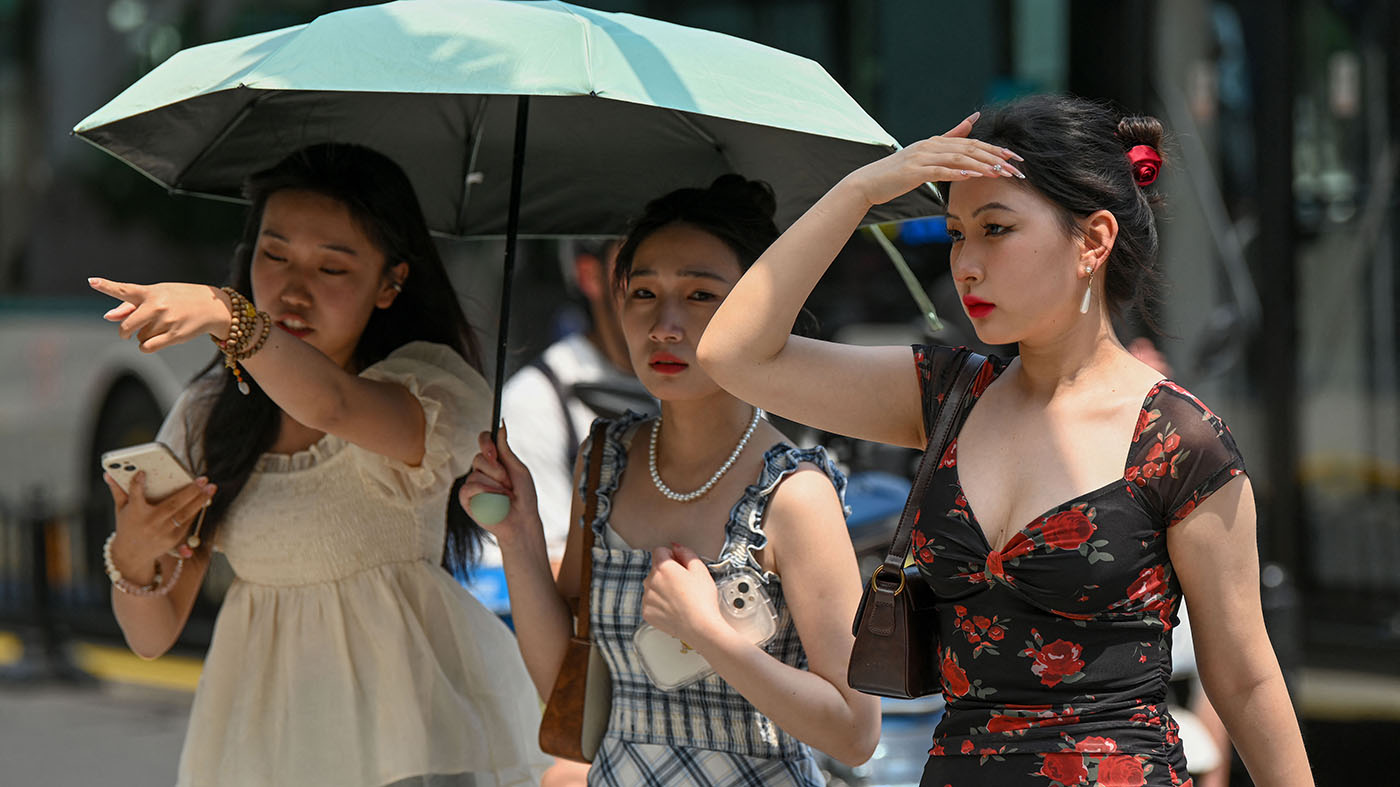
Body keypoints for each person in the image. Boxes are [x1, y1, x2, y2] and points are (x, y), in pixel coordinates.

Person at [697, 95, 1313, 785]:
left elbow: (1246, 680)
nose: (965, 264)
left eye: (995, 228)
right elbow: (732, 354)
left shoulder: (1179, 441)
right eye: (957, 233)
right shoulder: (946, 396)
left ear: (1093, 240)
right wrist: (862, 191)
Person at [90, 143, 550, 787]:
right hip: (266, 746)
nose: (293, 291)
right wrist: (134, 557)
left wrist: (231, 316)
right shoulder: (208, 414)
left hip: (411, 744)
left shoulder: (426, 387)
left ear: (390, 283)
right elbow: (152, 636)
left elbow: (332, 403)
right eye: (274, 255)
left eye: (332, 267)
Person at [461, 175, 882, 786]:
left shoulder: (794, 494)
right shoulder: (603, 462)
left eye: (700, 294)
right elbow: (563, 681)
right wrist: (519, 534)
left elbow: (856, 732)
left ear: (763, 309)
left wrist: (706, 632)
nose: (664, 324)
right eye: (643, 292)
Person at [495, 238, 652, 567]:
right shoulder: (538, 397)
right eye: (640, 273)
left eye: (696, 290)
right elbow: (545, 563)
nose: (663, 304)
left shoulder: (728, 395)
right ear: (589, 275)